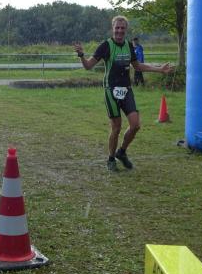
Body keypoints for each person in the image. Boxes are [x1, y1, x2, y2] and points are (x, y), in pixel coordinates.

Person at [73, 16, 172, 172]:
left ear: (126, 29)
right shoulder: (106, 45)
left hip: (126, 90)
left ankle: (122, 152)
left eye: (122, 28)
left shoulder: (128, 45)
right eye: (117, 28)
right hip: (110, 90)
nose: (119, 31)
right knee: (116, 127)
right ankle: (111, 158)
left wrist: (159, 69)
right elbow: (88, 66)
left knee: (135, 125)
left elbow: (137, 66)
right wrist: (81, 55)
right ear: (112, 28)